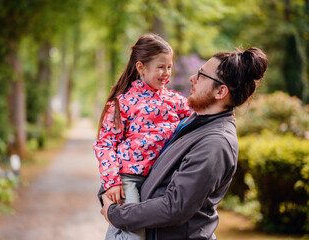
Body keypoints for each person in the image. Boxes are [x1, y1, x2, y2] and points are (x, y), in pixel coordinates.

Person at [100, 47, 268, 240]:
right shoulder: (190, 123)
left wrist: (115, 213)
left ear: (221, 91)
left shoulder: (216, 144)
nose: (192, 78)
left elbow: (175, 207)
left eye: (202, 75)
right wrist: (112, 185)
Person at [93, 33, 192, 240]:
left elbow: (197, 118)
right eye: (160, 67)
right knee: (134, 235)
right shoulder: (123, 103)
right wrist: (112, 181)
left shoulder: (175, 101)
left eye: (169, 67)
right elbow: (105, 144)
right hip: (128, 179)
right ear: (141, 67)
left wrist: (221, 115)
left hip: (159, 178)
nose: (166, 73)